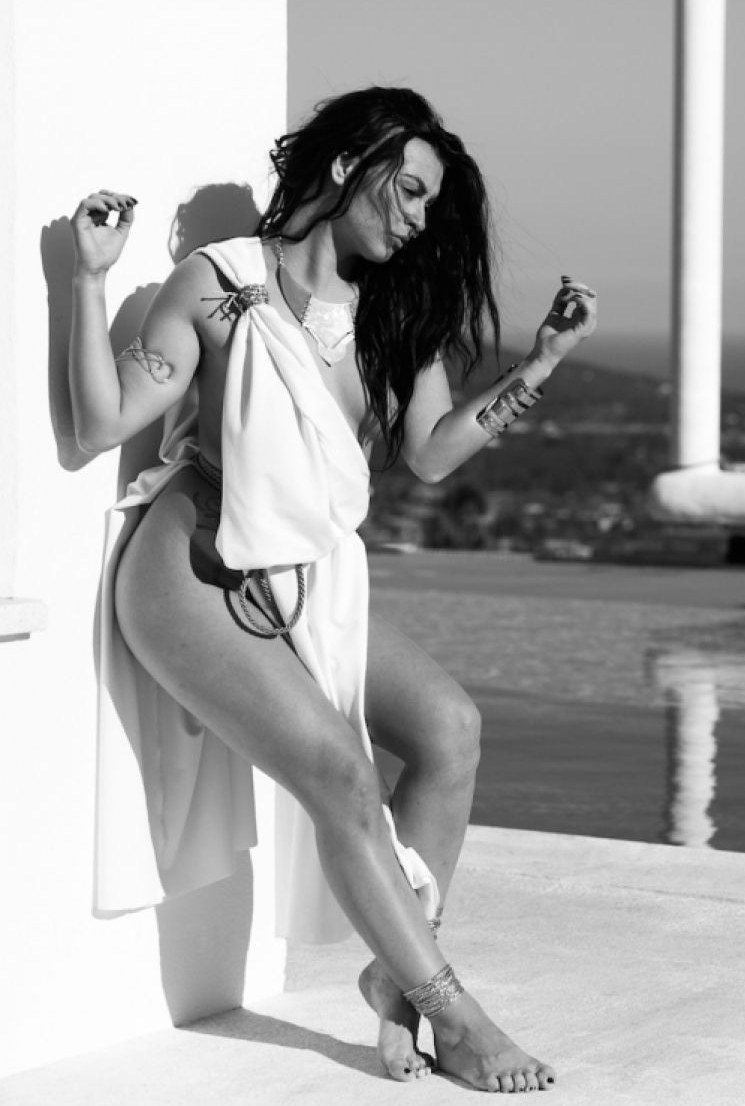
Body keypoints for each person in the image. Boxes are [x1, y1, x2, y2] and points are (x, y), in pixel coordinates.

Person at [69, 87, 598, 1093]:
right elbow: (101, 425)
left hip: (310, 574)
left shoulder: (393, 313)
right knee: (343, 777)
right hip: (194, 567)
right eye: (410, 190)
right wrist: (89, 281)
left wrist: (542, 360)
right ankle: (457, 1015)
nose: (418, 219)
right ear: (351, 163)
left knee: (450, 728)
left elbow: (432, 455)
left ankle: (395, 978)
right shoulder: (221, 284)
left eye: (431, 204)